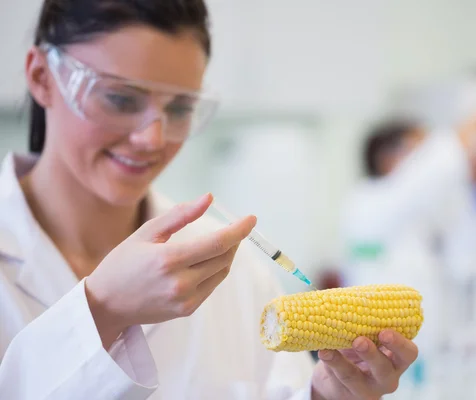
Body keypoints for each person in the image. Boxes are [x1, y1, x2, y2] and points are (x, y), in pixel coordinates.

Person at [0, 1, 418, 399]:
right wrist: (103, 309)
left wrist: (329, 395)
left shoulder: (235, 272)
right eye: (121, 98)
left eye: (180, 107)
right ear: (40, 77)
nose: (153, 138)